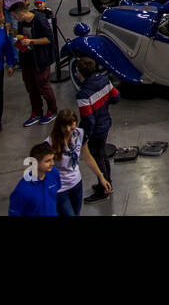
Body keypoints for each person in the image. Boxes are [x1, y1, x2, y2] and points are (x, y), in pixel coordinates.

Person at [46, 109, 111, 216]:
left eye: (70, 125)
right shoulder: (50, 143)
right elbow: (42, 168)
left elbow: (87, 157)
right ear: (59, 126)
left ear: (75, 122)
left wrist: (101, 177)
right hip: (60, 189)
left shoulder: (80, 134)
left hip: (76, 184)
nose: (67, 129)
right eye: (64, 126)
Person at [75, 56, 119, 205]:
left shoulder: (83, 94)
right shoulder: (104, 80)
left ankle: (103, 188)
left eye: (77, 71)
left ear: (81, 73)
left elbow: (88, 119)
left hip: (95, 131)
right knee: (102, 155)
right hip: (106, 124)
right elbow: (116, 96)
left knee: (97, 157)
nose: (76, 74)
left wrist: (84, 136)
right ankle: (107, 182)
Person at [9, 0, 57, 126]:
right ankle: (36, 112)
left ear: (21, 14)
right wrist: (13, 33)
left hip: (40, 59)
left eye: (14, 16)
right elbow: (20, 35)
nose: (14, 19)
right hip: (26, 58)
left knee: (43, 85)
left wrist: (31, 41)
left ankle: (52, 110)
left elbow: (49, 39)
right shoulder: (22, 23)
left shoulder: (40, 20)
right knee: (30, 86)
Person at [8, 143, 61, 216]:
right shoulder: (21, 191)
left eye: (52, 159)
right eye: (48, 161)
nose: (52, 163)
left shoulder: (54, 173)